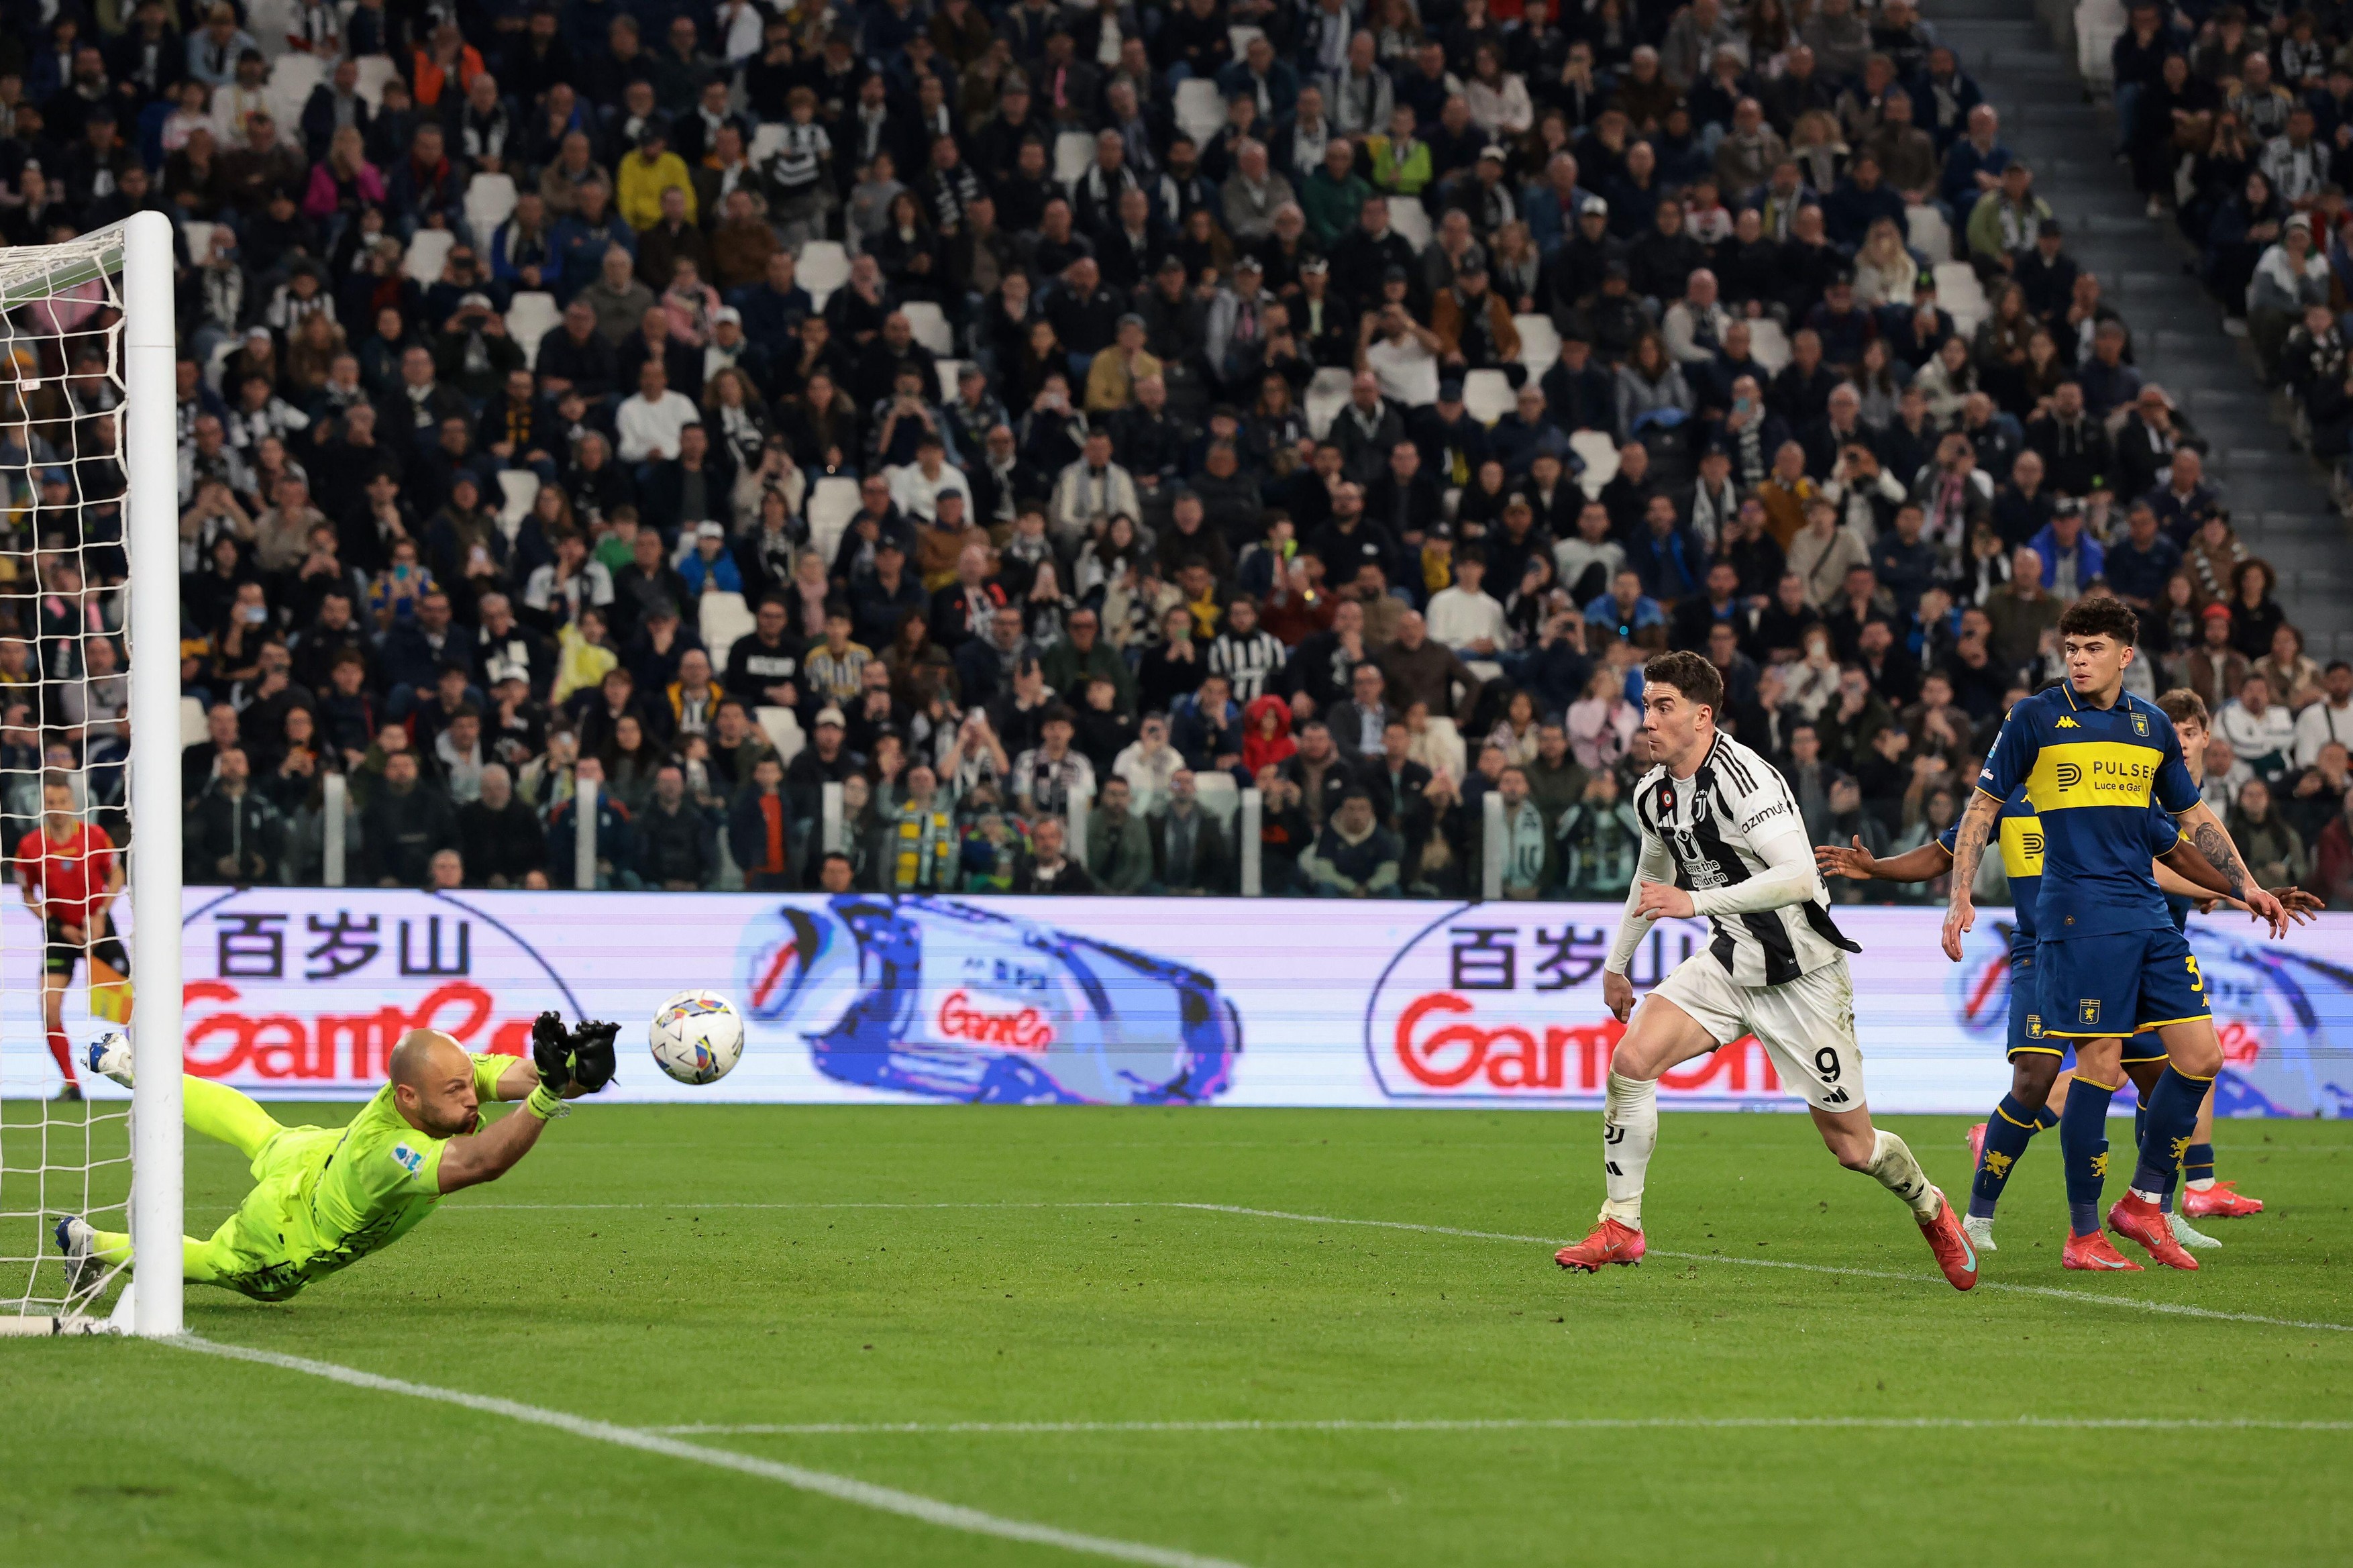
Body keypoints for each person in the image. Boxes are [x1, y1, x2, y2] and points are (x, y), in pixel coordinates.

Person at [1554, 651, 1977, 1288]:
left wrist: (1694, 902)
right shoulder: (1653, 792)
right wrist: (1619, 964)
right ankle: (1621, 1224)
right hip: (1729, 965)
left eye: (1663, 706)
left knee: (1853, 1149)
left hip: (1804, 975)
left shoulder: (1745, 778)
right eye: (1645, 705)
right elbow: (1652, 873)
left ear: (1701, 716)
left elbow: (1798, 874)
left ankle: (1929, 1205)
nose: (1648, 719)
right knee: (1630, 1061)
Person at [1944, 597, 2285, 1270]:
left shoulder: (2151, 725)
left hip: (2149, 917)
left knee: (2201, 1058)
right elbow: (1982, 807)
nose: (2077, 658)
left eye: (2092, 647)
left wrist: (2245, 884)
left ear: (2125, 656)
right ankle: (2082, 1236)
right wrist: (1960, 896)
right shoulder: (2036, 718)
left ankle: (2143, 1201)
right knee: (2099, 1067)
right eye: (2071, 647)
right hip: (2080, 920)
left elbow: (2191, 819)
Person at [1818, 762, 2269, 1254]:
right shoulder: (2006, 799)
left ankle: (2156, 1208)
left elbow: (2168, 854)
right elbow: (1943, 853)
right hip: (2042, 950)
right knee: (2035, 1078)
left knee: (2160, 1078)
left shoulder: (2109, 790)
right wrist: (1879, 867)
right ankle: (1978, 1219)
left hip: (2109, 949)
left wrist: (2238, 890)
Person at [57, 1015, 616, 1302]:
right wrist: (547, 1097)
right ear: (408, 1099)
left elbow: (511, 1074)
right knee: (214, 1263)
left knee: (260, 1130)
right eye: (456, 1092)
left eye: (469, 1084)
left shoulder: (434, 1075)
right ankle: (90, 1242)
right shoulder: (390, 1158)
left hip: (322, 1153)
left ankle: (134, 1068)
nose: (471, 1098)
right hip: (290, 1230)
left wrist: (565, 1074)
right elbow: (481, 1162)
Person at [13, 775, 125, 1100]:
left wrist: (101, 913)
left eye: (63, 802)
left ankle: (146, 1075)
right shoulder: (31, 845)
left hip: (97, 927)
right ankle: (72, 1084)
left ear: (73, 805)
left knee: (131, 1005)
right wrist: (54, 923)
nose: (58, 809)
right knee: (49, 1007)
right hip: (60, 931)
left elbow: (116, 873)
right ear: (43, 806)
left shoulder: (94, 836)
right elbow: (27, 892)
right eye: (51, 803)